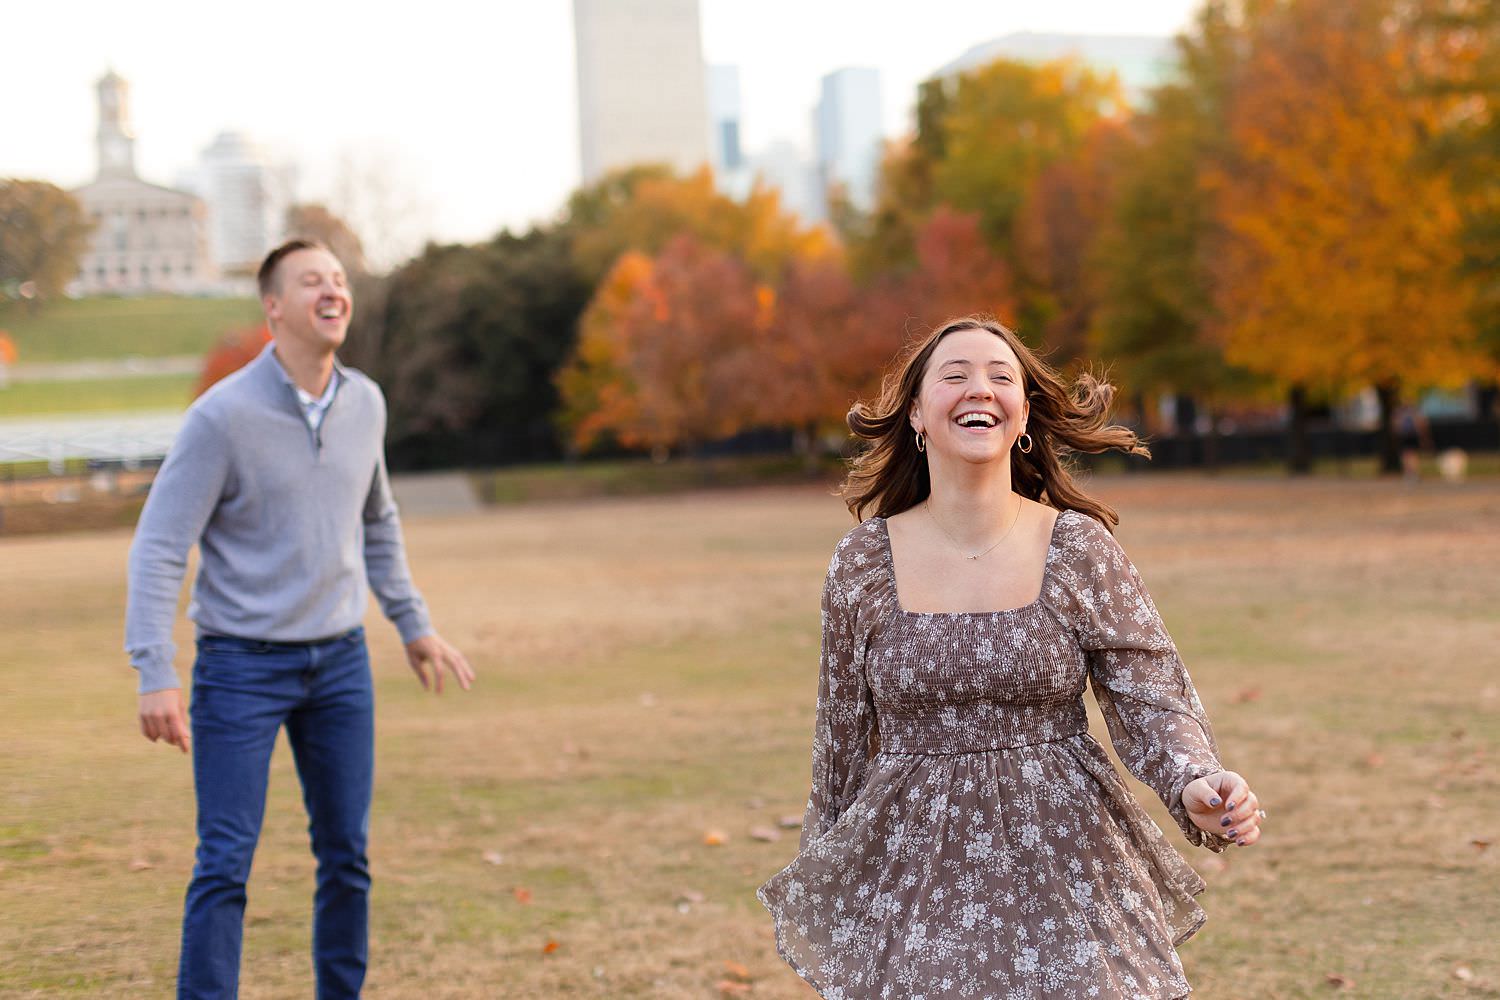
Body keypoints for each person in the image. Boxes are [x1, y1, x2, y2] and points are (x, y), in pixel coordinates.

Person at [759, 317, 1263, 999]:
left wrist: (1195, 780)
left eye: (1002, 377)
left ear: (1023, 412)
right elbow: (841, 744)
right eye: (956, 374)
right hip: (918, 874)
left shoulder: (1078, 548)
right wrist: (833, 877)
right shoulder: (863, 563)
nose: (981, 389)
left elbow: (1150, 696)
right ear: (917, 412)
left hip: (1067, 862)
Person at [126, 239, 475, 999]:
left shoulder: (367, 404)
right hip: (241, 666)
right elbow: (159, 546)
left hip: (340, 663)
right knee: (224, 861)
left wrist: (412, 624)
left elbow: (377, 521)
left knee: (347, 855)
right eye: (312, 280)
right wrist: (155, 669)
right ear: (273, 307)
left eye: (341, 279)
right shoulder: (221, 419)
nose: (333, 290)